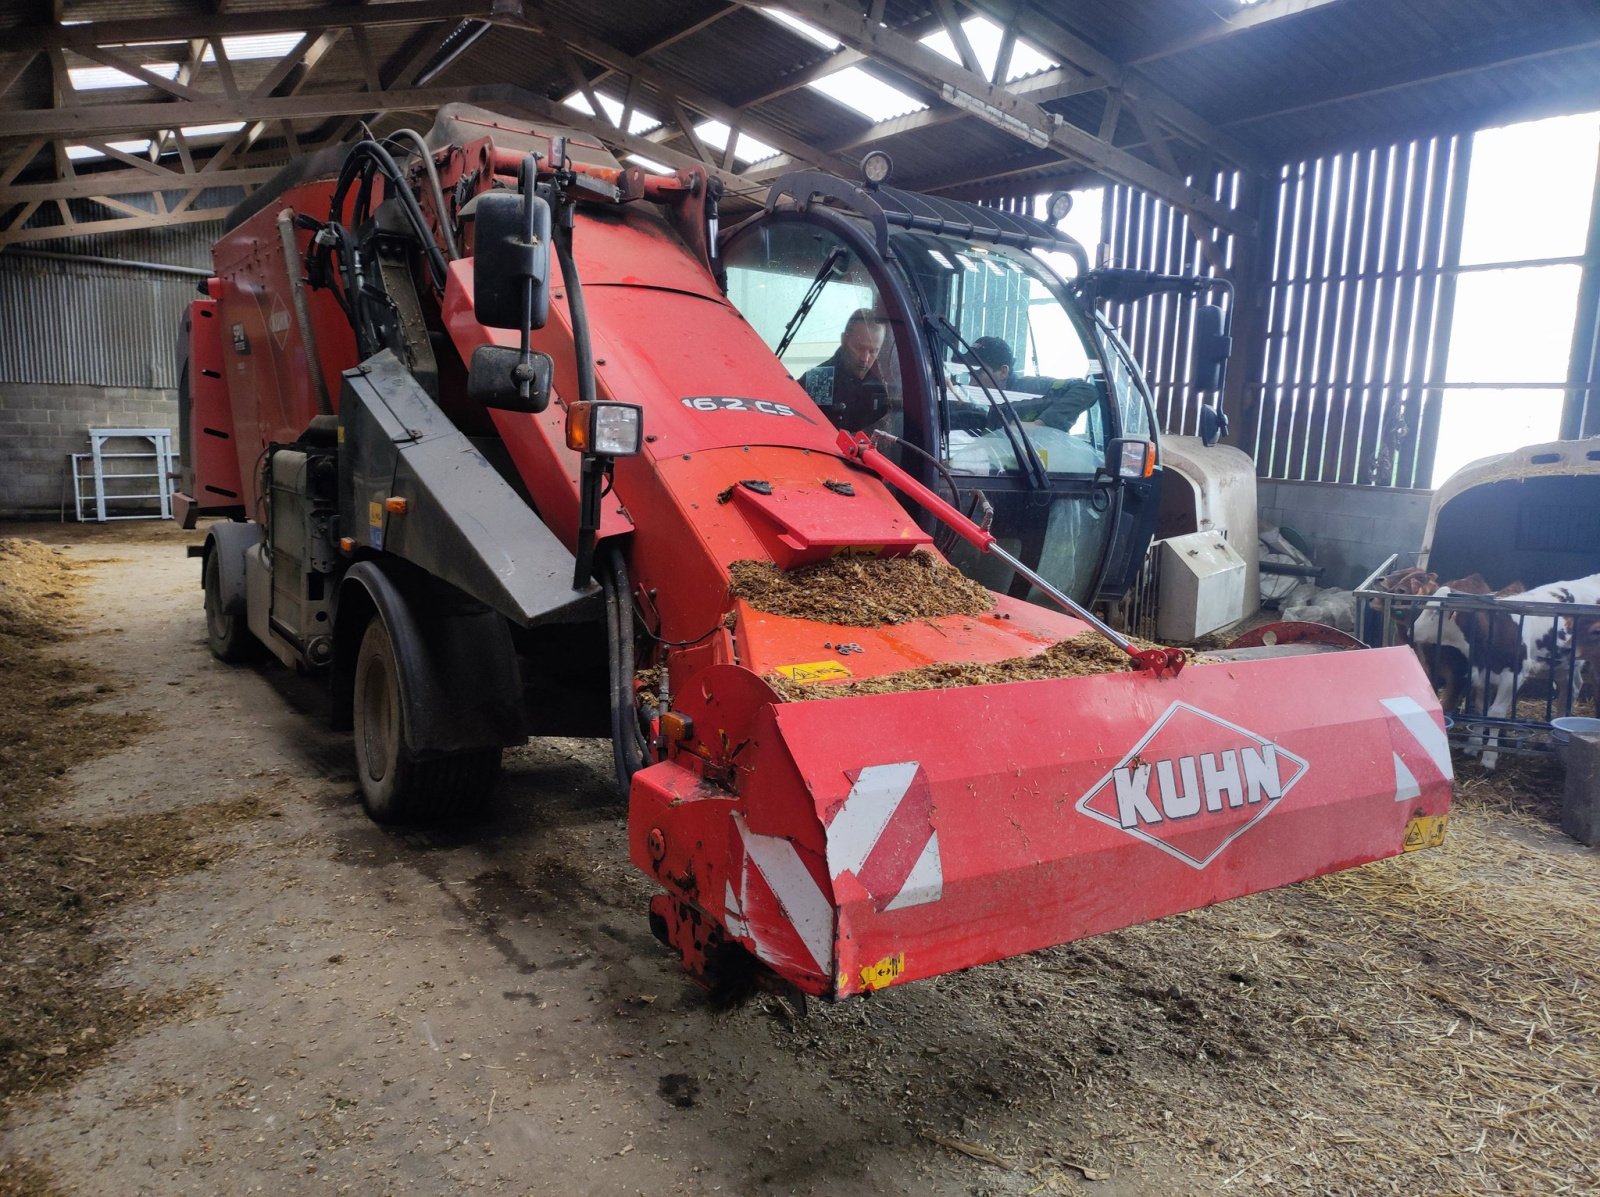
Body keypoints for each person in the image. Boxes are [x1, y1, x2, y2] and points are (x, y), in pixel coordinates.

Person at [959, 335, 1101, 434]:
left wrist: (1039, 424)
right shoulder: (993, 408)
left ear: (1003, 372)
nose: (972, 384)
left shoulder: (1030, 390)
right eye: (970, 376)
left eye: (978, 374)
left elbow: (1086, 390)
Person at [799, 309, 891, 432]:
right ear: (844, 340)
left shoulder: (881, 389)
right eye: (859, 348)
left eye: (873, 351)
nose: (865, 358)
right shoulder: (819, 380)